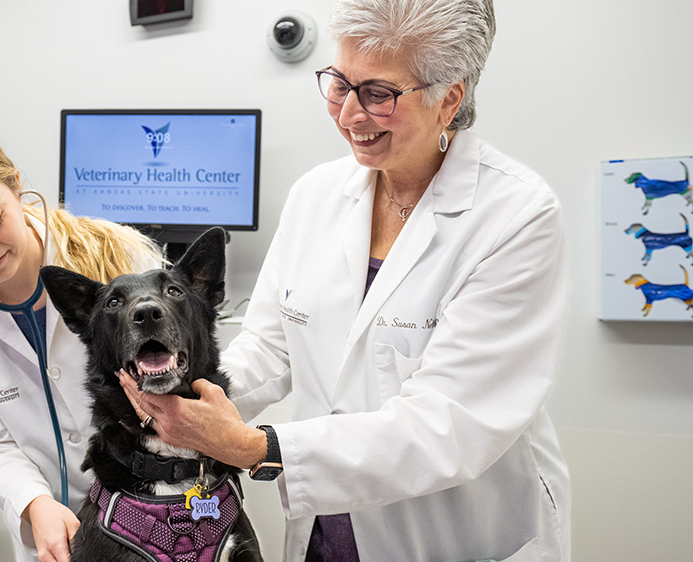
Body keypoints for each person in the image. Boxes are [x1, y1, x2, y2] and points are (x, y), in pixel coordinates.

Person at [121, 1, 571, 561]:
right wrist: (184, 392)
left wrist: (253, 446)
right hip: (328, 523)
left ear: (449, 99)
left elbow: (447, 424)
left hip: (449, 532)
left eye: (379, 94)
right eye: (338, 83)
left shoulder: (514, 216)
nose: (349, 115)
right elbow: (270, 343)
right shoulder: (317, 194)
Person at [0, 117, 163, 562]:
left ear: (16, 186)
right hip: (53, 534)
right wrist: (33, 502)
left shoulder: (119, 256)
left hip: (155, 514)